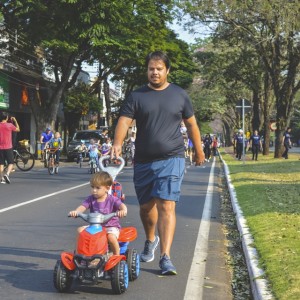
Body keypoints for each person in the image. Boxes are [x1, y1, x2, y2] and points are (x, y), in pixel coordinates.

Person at [111, 51, 205, 275]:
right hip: (143, 160)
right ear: (147, 71)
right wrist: (116, 143)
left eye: (159, 68)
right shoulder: (137, 96)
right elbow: (124, 120)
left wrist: (199, 150)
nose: (155, 72)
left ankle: (165, 257)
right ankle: (151, 239)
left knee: (166, 204)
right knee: (146, 208)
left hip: (172, 158)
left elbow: (191, 125)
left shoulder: (179, 95)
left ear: (167, 70)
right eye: (151, 68)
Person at [68, 172, 127, 256]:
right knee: (80, 230)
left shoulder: (112, 199)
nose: (94, 190)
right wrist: (76, 212)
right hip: (94, 227)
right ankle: (78, 253)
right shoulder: (90, 199)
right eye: (92, 187)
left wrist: (123, 211)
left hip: (110, 226)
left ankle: (116, 256)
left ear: (107, 188)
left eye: (97, 188)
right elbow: (82, 207)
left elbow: (122, 205)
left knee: (111, 237)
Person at [0, 112, 20, 184]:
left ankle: (2, 178)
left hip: (0, 147)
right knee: (11, 162)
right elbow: (18, 129)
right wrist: (15, 120)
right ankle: (7, 174)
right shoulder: (10, 125)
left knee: (1, 163)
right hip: (8, 147)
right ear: (7, 118)